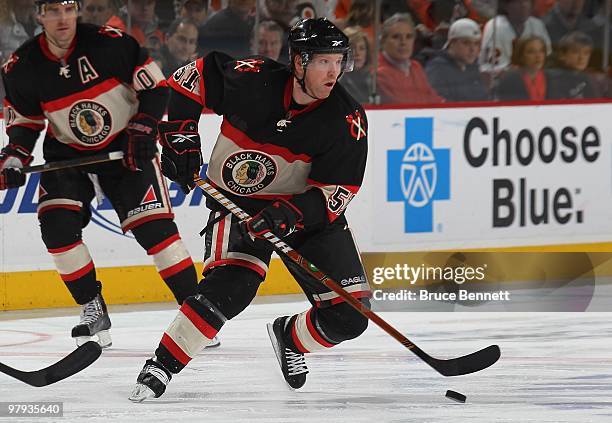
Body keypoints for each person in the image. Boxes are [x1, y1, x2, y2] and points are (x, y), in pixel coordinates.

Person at [128, 17, 371, 401]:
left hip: (304, 215)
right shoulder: (253, 78)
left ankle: (289, 338)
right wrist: (180, 136)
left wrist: (288, 214)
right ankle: (161, 364)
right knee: (231, 285)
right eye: (324, 61)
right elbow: (191, 77)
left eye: (339, 61)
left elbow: (337, 191)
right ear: (299, 62)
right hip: (238, 204)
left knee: (350, 317)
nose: (334, 71)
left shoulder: (346, 120)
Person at [0, 0, 201, 349]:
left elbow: (156, 89)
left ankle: (196, 314)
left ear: (76, 11)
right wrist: (14, 158)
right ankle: (93, 308)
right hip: (68, 157)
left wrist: (142, 127)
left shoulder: (112, 44)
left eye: (67, 9)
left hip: (125, 151)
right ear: (39, 15)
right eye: (53, 11)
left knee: (157, 234)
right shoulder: (22, 67)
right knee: (58, 231)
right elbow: (26, 123)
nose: (62, 18)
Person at [377, 13, 444, 104]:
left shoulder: (415, 67)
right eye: (396, 37)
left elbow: (433, 98)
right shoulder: (378, 72)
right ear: (383, 41)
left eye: (409, 37)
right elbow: (401, 105)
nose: (403, 42)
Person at [479, 0, 551, 74]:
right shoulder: (495, 26)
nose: (524, 5)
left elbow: (548, 59)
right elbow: (490, 70)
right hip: (503, 80)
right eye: (518, 1)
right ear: (505, 5)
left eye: (527, 1)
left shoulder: (537, 24)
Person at [426, 18, 489, 102]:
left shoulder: (473, 67)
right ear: (452, 43)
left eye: (476, 44)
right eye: (466, 43)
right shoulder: (437, 69)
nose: (472, 49)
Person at [496, 35, 549, 100]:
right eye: (531, 52)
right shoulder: (509, 80)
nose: (538, 56)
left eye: (541, 51)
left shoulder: (553, 79)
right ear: (521, 56)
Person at [341, 26, 372, 104]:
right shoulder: (339, 81)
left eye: (362, 48)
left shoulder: (372, 78)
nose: (357, 53)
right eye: (352, 48)